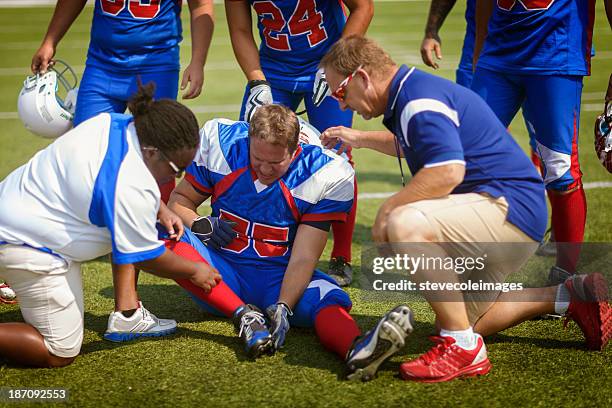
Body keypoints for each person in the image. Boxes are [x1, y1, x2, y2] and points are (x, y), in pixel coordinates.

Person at [319, 36, 611, 383]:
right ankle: (568, 296)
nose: (341, 105)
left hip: (508, 209)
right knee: (467, 319)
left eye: (340, 94)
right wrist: (357, 138)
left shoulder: (416, 100)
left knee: (403, 222)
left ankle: (462, 349)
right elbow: (415, 142)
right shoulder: (412, 93)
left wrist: (388, 211)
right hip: (514, 209)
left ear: (363, 78)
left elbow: (448, 170)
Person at [166, 104, 414, 381]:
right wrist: (198, 223)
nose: (264, 169)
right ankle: (242, 314)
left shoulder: (320, 173)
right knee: (163, 229)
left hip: (278, 278)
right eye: (257, 158)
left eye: (275, 163)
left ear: (296, 151)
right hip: (217, 272)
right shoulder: (224, 147)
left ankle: (357, 350)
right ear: (249, 141)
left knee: (327, 298)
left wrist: (284, 305)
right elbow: (178, 202)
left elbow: (304, 257)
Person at [0, 84, 221, 368]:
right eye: (176, 169)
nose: (176, 178)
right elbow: (145, 255)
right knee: (60, 350)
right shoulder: (132, 186)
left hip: (14, 205)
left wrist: (161, 207)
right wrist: (195, 270)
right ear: (152, 151)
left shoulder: (114, 123)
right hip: (26, 243)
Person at [31, 0, 215, 339]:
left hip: (155, 62)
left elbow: (201, 5)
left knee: (148, 179)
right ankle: (29, 258)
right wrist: (50, 39)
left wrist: (198, 60)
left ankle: (126, 308)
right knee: (82, 165)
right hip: (101, 63)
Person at [224, 0, 374, 286]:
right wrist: (257, 80)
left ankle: (341, 254)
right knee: (253, 152)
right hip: (272, 70)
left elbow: (363, 8)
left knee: (337, 158)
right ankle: (255, 245)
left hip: (327, 63)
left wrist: (337, 63)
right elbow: (240, 29)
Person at [472, 0, 612, 284]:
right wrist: (480, 52)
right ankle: (477, 262)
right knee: (467, 156)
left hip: (556, 54)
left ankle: (565, 278)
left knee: (560, 169)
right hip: (498, 53)